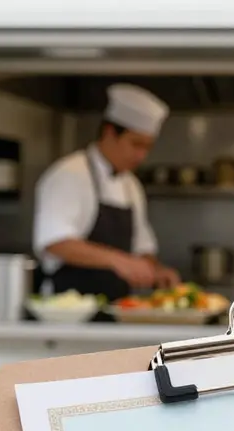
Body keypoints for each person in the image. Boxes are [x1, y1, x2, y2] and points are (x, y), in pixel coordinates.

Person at [33, 83, 181, 307]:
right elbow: (55, 241)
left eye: (147, 147)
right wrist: (118, 261)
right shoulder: (69, 174)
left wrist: (155, 270)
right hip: (67, 312)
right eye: (136, 144)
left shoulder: (132, 184)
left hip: (118, 309)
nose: (141, 156)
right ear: (109, 132)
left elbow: (142, 247)